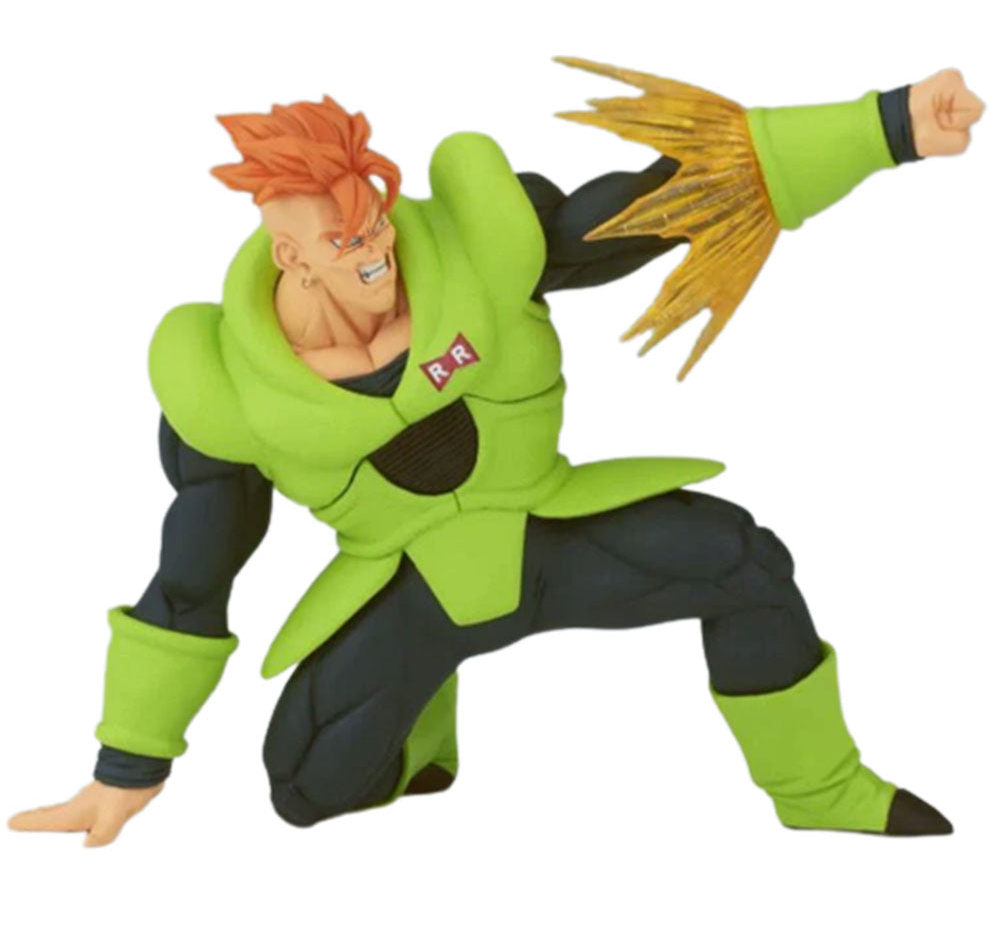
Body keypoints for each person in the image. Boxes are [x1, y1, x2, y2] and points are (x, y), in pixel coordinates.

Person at [9, 61, 984, 846]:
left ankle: (819, 789)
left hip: (555, 530)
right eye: (346, 244)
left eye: (377, 224)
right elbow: (193, 577)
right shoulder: (226, 384)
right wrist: (127, 764)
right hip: (412, 591)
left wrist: (886, 126)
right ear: (291, 256)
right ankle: (421, 733)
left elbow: (654, 206)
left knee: (745, 565)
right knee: (306, 787)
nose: (377, 254)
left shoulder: (476, 244)